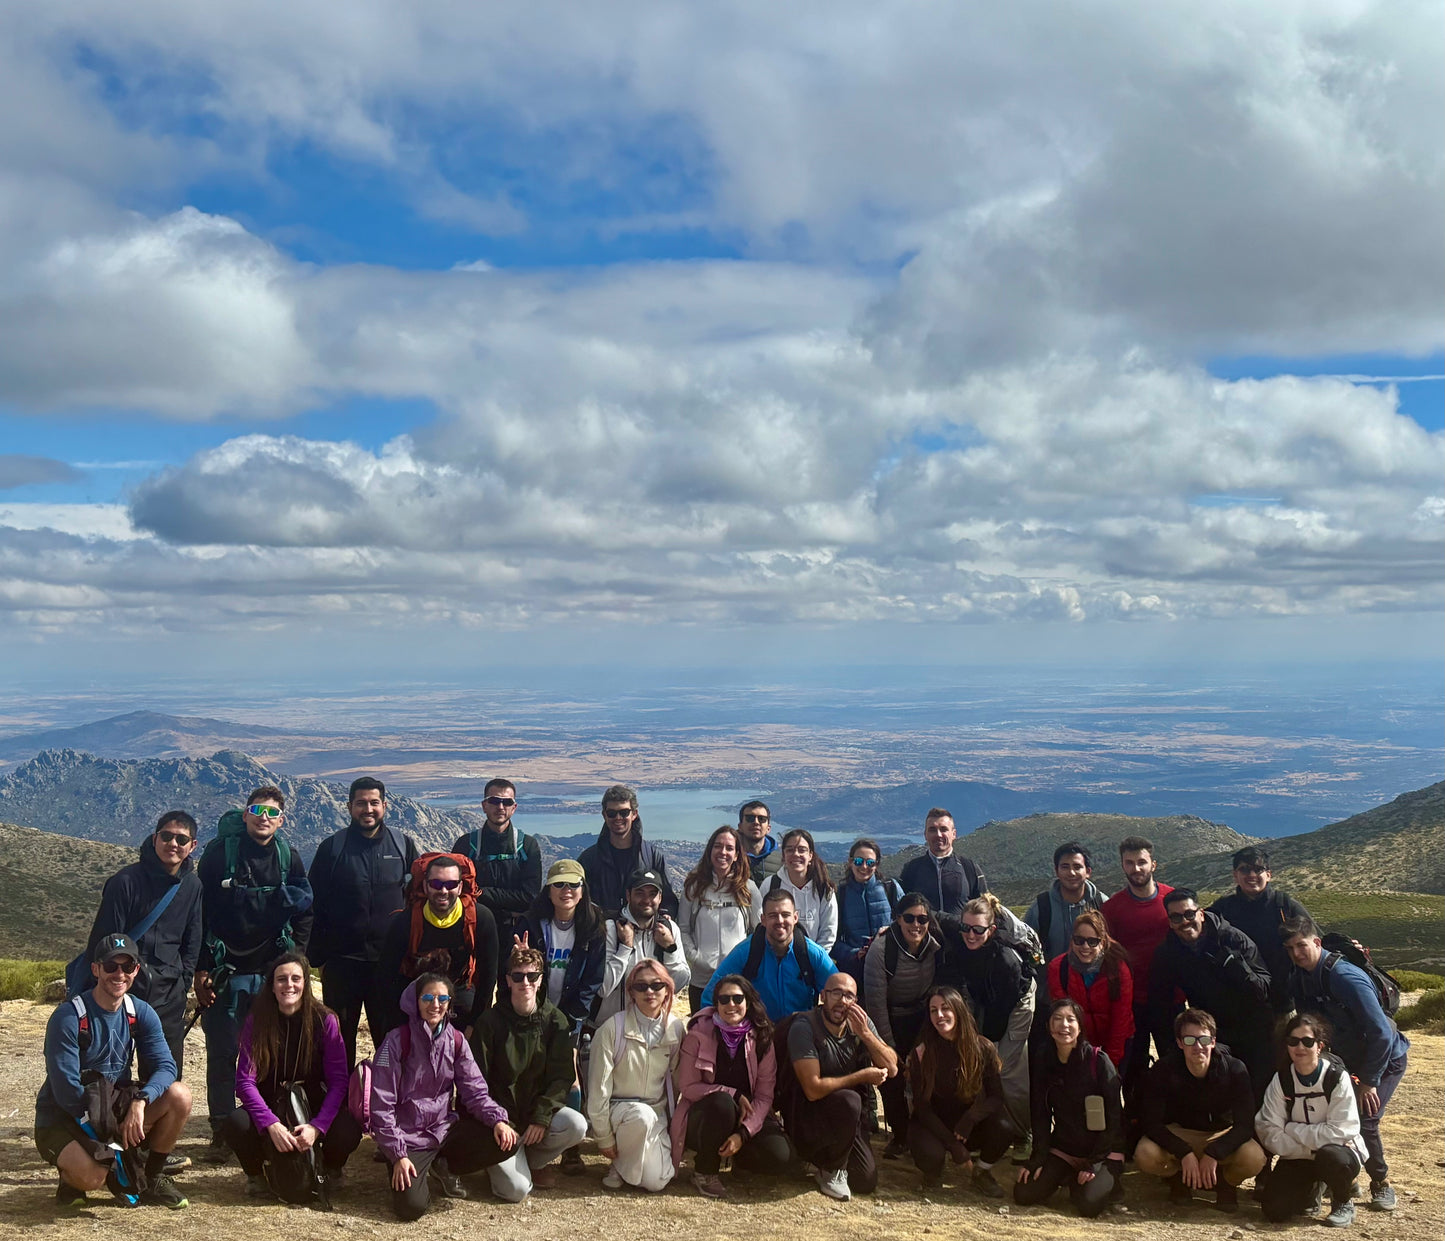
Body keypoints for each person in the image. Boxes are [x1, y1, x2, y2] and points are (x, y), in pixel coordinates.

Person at [195, 787, 313, 1157]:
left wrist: (296, 961)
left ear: (281, 820)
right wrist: (200, 969)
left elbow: (305, 911)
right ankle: (222, 1128)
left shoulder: (287, 857)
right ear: (245, 814)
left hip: (271, 975)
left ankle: (263, 1123)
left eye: (272, 812)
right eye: (257, 810)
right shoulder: (218, 857)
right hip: (224, 971)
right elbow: (197, 914)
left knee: (268, 1052)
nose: (264, 817)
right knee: (222, 1052)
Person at [37, 933, 193, 1210]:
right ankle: (72, 1177)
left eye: (126, 966)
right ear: (96, 969)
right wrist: (110, 1134)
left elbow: (167, 1066)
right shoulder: (69, 1017)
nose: (118, 974)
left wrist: (140, 1101)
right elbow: (67, 1091)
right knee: (93, 1177)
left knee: (179, 1095)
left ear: (136, 970)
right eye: (110, 966)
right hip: (67, 1116)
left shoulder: (139, 1012)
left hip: (110, 1104)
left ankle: (153, 1178)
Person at [1281, 915, 1409, 1212]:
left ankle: (1381, 1183)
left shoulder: (1345, 977)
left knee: (1365, 1119)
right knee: (1330, 1117)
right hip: (1346, 1058)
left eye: (1301, 945)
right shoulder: (1298, 978)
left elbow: (1380, 1032)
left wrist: (1369, 1081)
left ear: (1316, 942)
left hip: (1385, 1056)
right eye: (1289, 948)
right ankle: (1342, 1179)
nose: (1296, 953)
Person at [369, 973, 511, 1220]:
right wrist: (398, 1154)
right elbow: (381, 1106)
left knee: (508, 1138)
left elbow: (475, 1091)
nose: (435, 1005)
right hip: (408, 1137)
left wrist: (498, 1119)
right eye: (428, 997)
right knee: (411, 1209)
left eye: (442, 998)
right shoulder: (395, 1041)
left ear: (449, 1004)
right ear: (415, 1001)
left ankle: (443, 1165)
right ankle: (407, 1166)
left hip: (443, 1130)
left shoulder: (456, 1041)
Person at [222, 953, 362, 1199]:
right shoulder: (257, 1020)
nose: (289, 985)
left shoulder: (325, 1020)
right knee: (236, 1123)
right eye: (281, 979)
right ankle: (257, 1174)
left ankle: (330, 1170)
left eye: (296, 979)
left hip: (313, 1101)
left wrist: (317, 1127)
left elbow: (339, 1081)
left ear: (306, 984)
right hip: (271, 1100)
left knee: (348, 1128)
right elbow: (244, 1081)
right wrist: (270, 1124)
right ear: (272, 986)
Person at [82, 810, 203, 1080]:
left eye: (182, 840)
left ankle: (156, 1122)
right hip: (123, 987)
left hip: (169, 993)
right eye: (167, 836)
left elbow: (193, 938)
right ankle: (109, 1121)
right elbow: (103, 941)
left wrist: (183, 983)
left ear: (192, 846)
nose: (173, 844)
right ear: (155, 837)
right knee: (110, 1070)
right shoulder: (125, 882)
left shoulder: (193, 885)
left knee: (165, 1074)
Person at [308, 777, 419, 1067]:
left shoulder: (402, 845)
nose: (367, 809)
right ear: (349, 807)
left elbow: (418, 899)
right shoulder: (332, 848)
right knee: (336, 1041)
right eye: (360, 803)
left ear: (385, 806)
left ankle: (385, 1102)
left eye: (373, 803)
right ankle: (339, 1104)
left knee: (390, 1038)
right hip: (342, 963)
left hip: (389, 962)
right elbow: (314, 903)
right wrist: (318, 957)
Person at [469, 945, 588, 1201]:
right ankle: (500, 1163)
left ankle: (532, 1161)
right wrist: (497, 1120)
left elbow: (562, 1077)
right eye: (518, 976)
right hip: (501, 1121)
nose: (526, 982)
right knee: (516, 1192)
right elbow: (477, 1081)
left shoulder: (555, 1021)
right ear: (508, 981)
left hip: (534, 1116)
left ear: (541, 980)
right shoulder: (489, 1022)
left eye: (532, 976)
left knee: (577, 1125)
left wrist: (542, 1117)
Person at [671, 974, 796, 1198]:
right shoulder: (698, 1033)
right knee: (722, 1103)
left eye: (737, 999)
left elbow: (765, 1096)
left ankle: (740, 1158)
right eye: (724, 999)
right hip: (706, 1114)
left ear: (748, 1002)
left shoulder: (763, 1037)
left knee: (780, 1157)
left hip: (747, 1115)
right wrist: (733, 1093)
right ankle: (704, 1171)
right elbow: (688, 1086)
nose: (731, 1005)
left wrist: (743, 1133)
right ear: (716, 1004)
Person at [780, 970, 898, 1201]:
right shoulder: (804, 1026)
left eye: (849, 996)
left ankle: (829, 1163)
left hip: (848, 1118)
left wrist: (865, 1034)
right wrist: (861, 1076)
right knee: (850, 1099)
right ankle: (830, 1169)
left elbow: (892, 1068)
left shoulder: (860, 1024)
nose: (842, 1002)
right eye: (836, 993)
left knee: (865, 1181)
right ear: (823, 996)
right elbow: (812, 1090)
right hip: (808, 1113)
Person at [1133, 1008, 1266, 1212]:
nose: (1197, 1047)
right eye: (1189, 1040)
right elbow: (1151, 1123)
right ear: (1179, 1043)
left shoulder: (1234, 1069)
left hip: (1220, 1134)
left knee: (1254, 1158)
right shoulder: (1163, 1070)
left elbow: (1245, 1125)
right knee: (1145, 1153)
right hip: (1181, 1133)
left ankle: (1225, 1183)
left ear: (1213, 1041)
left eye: (1203, 1040)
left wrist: (1214, 1153)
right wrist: (1184, 1152)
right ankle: (1180, 1179)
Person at [522, 859, 607, 1175]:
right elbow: (518, 971)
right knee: (534, 1075)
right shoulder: (531, 923)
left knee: (570, 1078)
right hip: (534, 1015)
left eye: (573, 884)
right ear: (549, 889)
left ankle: (572, 1149)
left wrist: (569, 1021)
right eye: (559, 884)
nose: (566, 890)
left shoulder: (594, 927)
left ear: (583, 890)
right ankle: (538, 1143)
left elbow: (592, 981)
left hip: (569, 1018)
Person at [1148, 888, 1273, 1099]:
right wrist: (1173, 1050)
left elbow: (1263, 989)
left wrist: (1234, 967)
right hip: (1213, 1035)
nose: (1185, 921)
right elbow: (1161, 1004)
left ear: (1201, 913)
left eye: (1189, 914)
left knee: (1260, 1094)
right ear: (1169, 922)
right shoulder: (1168, 953)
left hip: (1253, 1029)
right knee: (1223, 1097)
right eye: (1177, 917)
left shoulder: (1232, 939)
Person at [1014, 998, 1125, 1217]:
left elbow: (1115, 1117)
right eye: (1057, 1019)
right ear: (1048, 1026)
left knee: (1088, 1205)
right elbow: (1041, 1114)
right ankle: (1068, 1176)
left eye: (1070, 1020)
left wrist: (1094, 1162)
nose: (1063, 1025)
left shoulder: (1099, 1061)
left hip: (1102, 1152)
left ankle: (1106, 1181)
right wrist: (1037, 1159)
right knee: (1023, 1193)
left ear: (1080, 1026)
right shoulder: (1044, 1060)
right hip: (1065, 1149)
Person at [1255, 1011, 1368, 1228]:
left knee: (1332, 1157)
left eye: (1308, 1041)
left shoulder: (1336, 1078)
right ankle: (1314, 1187)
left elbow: (1342, 1131)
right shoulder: (1281, 1080)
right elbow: (1268, 1129)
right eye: (1293, 1041)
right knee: (1274, 1210)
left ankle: (1343, 1199)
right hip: (1300, 1156)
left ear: (1320, 1046)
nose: (1300, 1047)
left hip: (1337, 1154)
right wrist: (1309, 1151)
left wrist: (1291, 1128)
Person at [937, 896, 1034, 1142]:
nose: (970, 934)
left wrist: (984, 1045)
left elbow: (999, 1018)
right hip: (985, 996)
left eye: (978, 930)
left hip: (1016, 1001)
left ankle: (1023, 1134)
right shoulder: (959, 929)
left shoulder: (1005, 961)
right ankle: (988, 1128)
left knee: (1005, 1067)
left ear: (991, 930)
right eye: (965, 928)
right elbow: (932, 914)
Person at [587, 959, 687, 1192]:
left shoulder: (676, 1028)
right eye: (641, 986)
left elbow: (676, 1082)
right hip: (619, 1112)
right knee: (641, 1116)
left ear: (667, 990)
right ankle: (620, 1162)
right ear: (631, 992)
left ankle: (623, 1166)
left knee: (658, 1182)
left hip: (656, 1114)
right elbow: (598, 1088)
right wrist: (603, 1138)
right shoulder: (612, 1028)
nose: (649, 992)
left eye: (657, 985)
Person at [907, 986, 1014, 1197]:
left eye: (945, 1008)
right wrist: (952, 1143)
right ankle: (933, 1172)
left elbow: (996, 1097)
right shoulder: (922, 1052)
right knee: (930, 1156)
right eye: (933, 1010)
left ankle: (981, 1172)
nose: (939, 1015)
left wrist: (971, 1118)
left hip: (966, 1122)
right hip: (933, 1122)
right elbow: (922, 1107)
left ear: (958, 1010)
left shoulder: (983, 1048)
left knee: (1005, 1126)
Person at [378, 853, 499, 1035]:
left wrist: (474, 1024)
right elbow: (387, 975)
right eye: (436, 884)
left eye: (450, 885)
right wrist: (399, 1025)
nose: (443, 891)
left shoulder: (480, 919)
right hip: (415, 991)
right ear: (426, 886)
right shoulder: (406, 921)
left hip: (459, 990)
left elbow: (489, 975)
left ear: (460, 887)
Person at [863, 892, 940, 1158]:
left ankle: (923, 1130)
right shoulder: (882, 950)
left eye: (922, 918)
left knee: (923, 1072)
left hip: (921, 1016)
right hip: (889, 1016)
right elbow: (875, 1003)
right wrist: (888, 1045)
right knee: (891, 1074)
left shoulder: (935, 943)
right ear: (897, 918)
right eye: (909, 918)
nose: (916, 924)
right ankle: (900, 1133)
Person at [1099, 835, 1173, 1088]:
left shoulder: (1172, 901)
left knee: (1175, 1062)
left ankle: (1178, 1118)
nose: (1136, 868)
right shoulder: (1112, 909)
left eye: (1141, 862)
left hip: (1170, 999)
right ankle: (1136, 1120)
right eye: (1129, 863)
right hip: (1131, 1002)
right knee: (1133, 1066)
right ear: (1122, 866)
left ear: (1154, 864)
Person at [700, 888, 834, 1019]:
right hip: (758, 1032)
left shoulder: (812, 954)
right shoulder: (746, 952)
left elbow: (840, 991)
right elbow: (710, 996)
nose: (780, 921)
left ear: (795, 918)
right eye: (773, 916)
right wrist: (721, 1031)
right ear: (763, 920)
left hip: (800, 1032)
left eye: (785, 915)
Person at [1208, 846, 1311, 1012]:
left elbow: (1315, 941)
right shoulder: (1222, 909)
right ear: (1235, 875)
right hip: (1238, 1006)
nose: (1252, 875)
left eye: (1258, 869)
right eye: (1245, 869)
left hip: (1283, 1003)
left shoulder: (1284, 906)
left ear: (1268, 875)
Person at [451, 777, 544, 945]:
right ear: (484, 806)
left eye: (507, 802)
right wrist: (509, 904)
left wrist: (481, 893)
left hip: (514, 933)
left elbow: (530, 897)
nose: (500, 807)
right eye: (494, 801)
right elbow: (458, 892)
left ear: (514, 808)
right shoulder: (466, 845)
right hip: (474, 930)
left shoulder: (527, 846)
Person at [679, 826, 759, 1011]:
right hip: (702, 980)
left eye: (729, 848)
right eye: (717, 846)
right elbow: (683, 928)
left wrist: (745, 960)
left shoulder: (748, 889)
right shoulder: (694, 887)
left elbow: (760, 931)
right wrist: (696, 958)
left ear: (737, 854)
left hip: (738, 979)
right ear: (710, 851)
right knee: (704, 1034)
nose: (723, 852)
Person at [595, 868, 690, 1022]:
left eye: (652, 894)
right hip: (611, 1029)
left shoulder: (669, 929)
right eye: (640, 893)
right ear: (628, 895)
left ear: (660, 898)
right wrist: (625, 948)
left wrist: (670, 949)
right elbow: (602, 988)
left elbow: (678, 984)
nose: (647, 900)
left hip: (651, 1027)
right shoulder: (611, 928)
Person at [1044, 910, 1133, 1067]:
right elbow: (1063, 1016)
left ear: (1103, 943)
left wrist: (1110, 1062)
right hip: (1076, 1044)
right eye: (1079, 940)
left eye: (1092, 941)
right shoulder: (1058, 968)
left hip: (1116, 1043)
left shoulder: (1118, 969)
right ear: (1072, 941)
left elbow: (1121, 1017)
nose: (1085, 947)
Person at [579, 784, 680, 920]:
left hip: (642, 935)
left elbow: (668, 900)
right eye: (612, 813)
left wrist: (664, 920)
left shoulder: (652, 856)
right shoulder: (589, 859)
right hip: (602, 934)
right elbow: (579, 900)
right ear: (604, 815)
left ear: (634, 814)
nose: (618, 818)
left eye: (624, 812)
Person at [751, 828, 838, 952]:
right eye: (790, 850)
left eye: (801, 850)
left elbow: (828, 933)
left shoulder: (823, 889)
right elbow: (761, 924)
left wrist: (814, 961)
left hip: (812, 962)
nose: (796, 854)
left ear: (810, 855)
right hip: (775, 958)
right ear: (784, 855)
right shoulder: (771, 884)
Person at [832, 838, 903, 987]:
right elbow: (832, 940)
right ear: (851, 862)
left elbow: (907, 922)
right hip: (855, 969)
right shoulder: (841, 895)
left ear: (877, 865)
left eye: (870, 862)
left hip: (889, 964)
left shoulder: (890, 888)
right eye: (859, 861)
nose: (864, 866)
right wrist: (854, 953)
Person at [897, 808, 987, 916]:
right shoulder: (911, 870)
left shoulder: (970, 869)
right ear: (925, 834)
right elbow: (901, 911)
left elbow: (984, 911)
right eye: (932, 830)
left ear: (954, 834)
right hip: (924, 932)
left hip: (960, 932)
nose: (938, 834)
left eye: (943, 829)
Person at [1025, 842, 1104, 962]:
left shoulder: (1102, 904)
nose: (1071, 873)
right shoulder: (1041, 908)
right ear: (1057, 871)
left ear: (1088, 872)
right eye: (1065, 867)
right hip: (1051, 979)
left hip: (1095, 979)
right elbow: (1026, 949)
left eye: (1077, 867)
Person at [737, 799, 784, 885]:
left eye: (762, 819)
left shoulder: (781, 862)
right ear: (740, 826)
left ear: (768, 828)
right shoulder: (729, 859)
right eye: (750, 818)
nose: (756, 822)